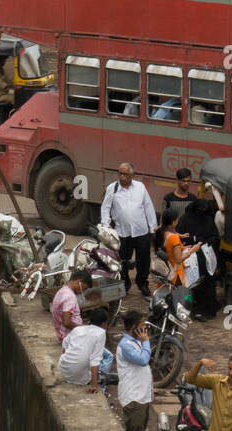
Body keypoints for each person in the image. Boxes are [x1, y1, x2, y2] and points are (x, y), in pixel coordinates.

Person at [100, 162, 157, 299]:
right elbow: (105, 208)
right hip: (122, 232)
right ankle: (124, 285)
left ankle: (142, 284)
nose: (122, 176)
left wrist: (153, 227)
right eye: (120, 173)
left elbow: (148, 206)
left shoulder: (140, 187)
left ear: (132, 175)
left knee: (143, 260)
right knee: (123, 260)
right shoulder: (112, 189)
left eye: (125, 173)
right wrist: (106, 226)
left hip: (141, 231)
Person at [176, 184, 220, 320]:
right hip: (189, 257)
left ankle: (206, 309)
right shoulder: (186, 218)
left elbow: (215, 237)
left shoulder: (208, 219)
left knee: (207, 283)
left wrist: (205, 242)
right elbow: (180, 235)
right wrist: (194, 239)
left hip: (206, 258)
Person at [116, 310, 153, 431]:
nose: (145, 329)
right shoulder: (126, 345)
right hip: (134, 398)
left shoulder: (136, 341)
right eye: (143, 325)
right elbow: (143, 360)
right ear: (134, 327)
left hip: (142, 396)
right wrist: (146, 341)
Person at [57, 306, 112, 391]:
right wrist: (94, 385)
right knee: (108, 361)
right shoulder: (101, 333)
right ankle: (102, 387)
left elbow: (65, 345)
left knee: (107, 355)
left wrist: (69, 363)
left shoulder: (78, 329)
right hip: (79, 377)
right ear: (104, 323)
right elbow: (95, 359)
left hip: (63, 369)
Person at [50, 268, 93, 342]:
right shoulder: (70, 297)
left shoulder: (62, 291)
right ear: (80, 282)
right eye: (84, 288)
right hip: (71, 336)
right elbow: (67, 322)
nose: (82, 292)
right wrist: (85, 328)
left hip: (63, 334)